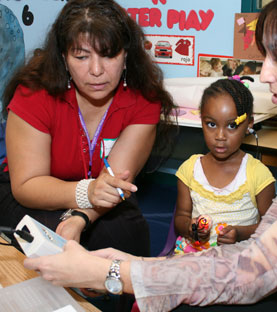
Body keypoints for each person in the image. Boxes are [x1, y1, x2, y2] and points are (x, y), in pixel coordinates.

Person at [24, 0, 277, 311]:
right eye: (266, 56)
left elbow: (258, 271)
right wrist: (140, 266)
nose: (265, 74)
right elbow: (266, 244)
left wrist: (113, 275)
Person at [0, 0, 175, 258]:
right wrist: (86, 193)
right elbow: (27, 185)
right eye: (81, 56)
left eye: (108, 55)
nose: (96, 70)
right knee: (50, 241)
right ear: (64, 58)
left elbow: (116, 182)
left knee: (128, 237)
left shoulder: (144, 100)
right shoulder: (34, 94)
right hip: (34, 192)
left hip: (105, 195)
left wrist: (81, 216)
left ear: (126, 55)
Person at [173, 77, 275, 254]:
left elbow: (271, 227)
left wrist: (241, 233)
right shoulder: (189, 170)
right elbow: (181, 217)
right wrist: (191, 228)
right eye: (211, 124)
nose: (220, 135)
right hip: (193, 259)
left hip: (236, 261)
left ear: (249, 124)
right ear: (202, 120)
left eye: (231, 126)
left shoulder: (258, 174)